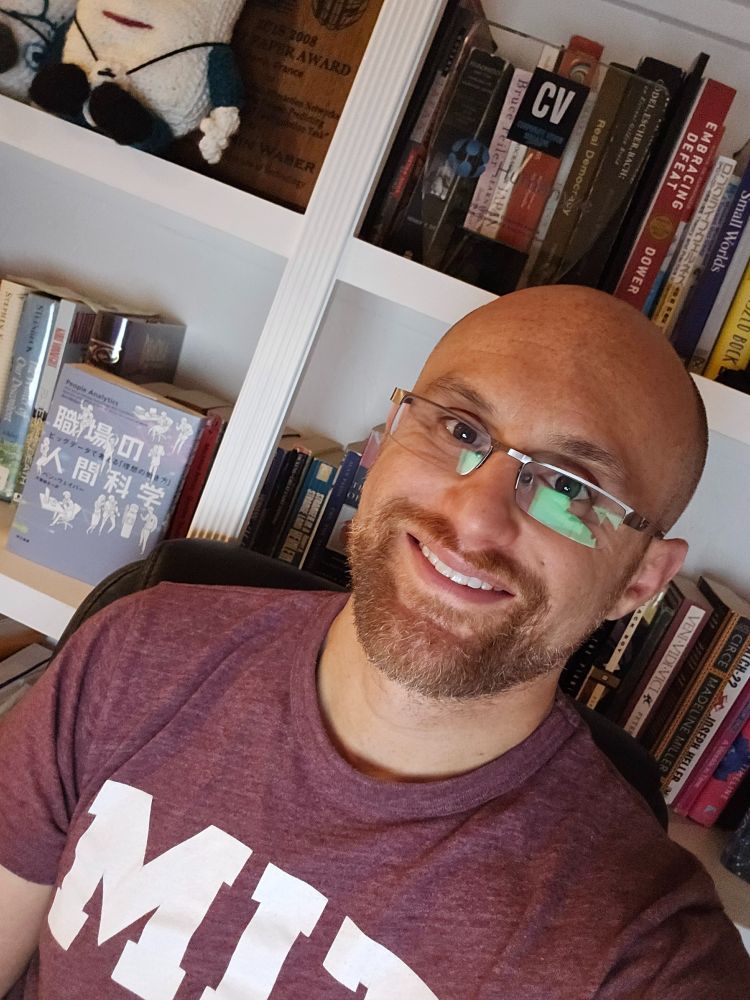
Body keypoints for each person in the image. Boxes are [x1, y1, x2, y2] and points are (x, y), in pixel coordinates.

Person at [1, 286, 749, 999]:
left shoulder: (640, 950)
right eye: (461, 430)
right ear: (384, 438)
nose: (476, 518)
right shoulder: (136, 651)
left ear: (641, 581)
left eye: (572, 487)